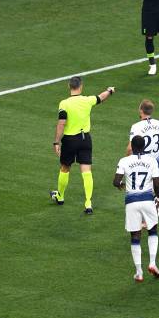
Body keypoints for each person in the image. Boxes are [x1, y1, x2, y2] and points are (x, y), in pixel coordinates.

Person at [50, 76, 116, 214]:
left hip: (69, 140)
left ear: (69, 86)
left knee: (65, 168)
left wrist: (56, 141)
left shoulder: (64, 103)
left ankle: (60, 196)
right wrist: (109, 90)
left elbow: (61, 123)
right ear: (81, 86)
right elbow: (101, 97)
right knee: (86, 171)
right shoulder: (87, 100)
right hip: (85, 139)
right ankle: (88, 203)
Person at [114, 136, 159, 282]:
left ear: (132, 147)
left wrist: (121, 185)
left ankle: (139, 272)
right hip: (148, 200)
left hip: (131, 201)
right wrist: (158, 198)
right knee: (152, 230)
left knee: (135, 236)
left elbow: (116, 181)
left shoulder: (124, 160)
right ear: (144, 146)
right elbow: (156, 183)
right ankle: (153, 263)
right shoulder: (151, 160)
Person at [127, 99, 159, 229]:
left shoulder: (136, 126)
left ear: (141, 110)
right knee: (156, 191)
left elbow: (130, 148)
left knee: (142, 192)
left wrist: (127, 158)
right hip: (156, 163)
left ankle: (144, 221)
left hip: (141, 164)